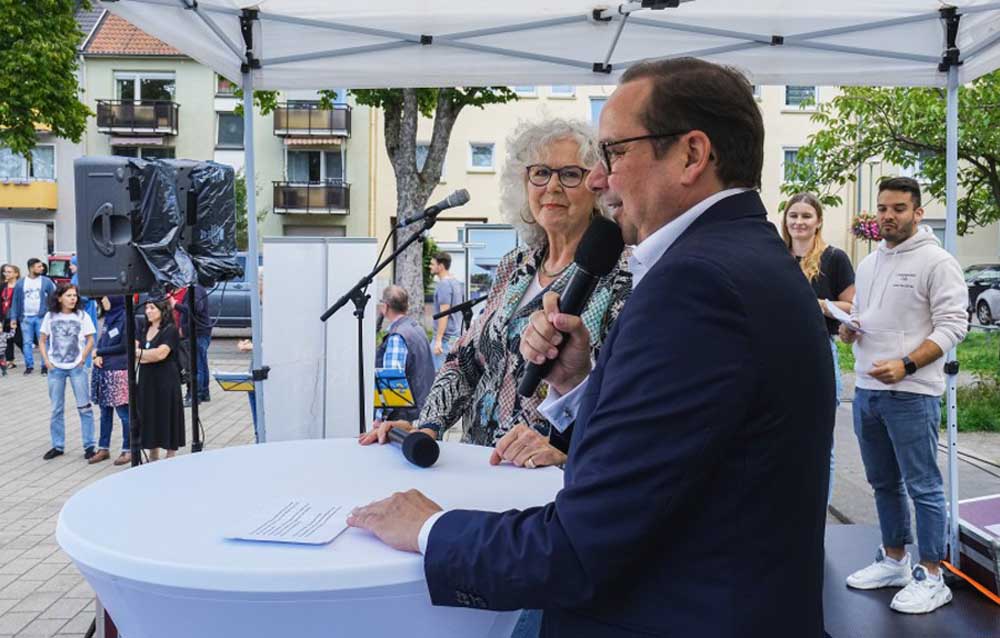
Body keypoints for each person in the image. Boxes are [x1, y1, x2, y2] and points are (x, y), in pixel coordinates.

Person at [348, 58, 833, 637]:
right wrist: (578, 384)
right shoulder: (744, 255)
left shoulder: (694, 283)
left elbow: (580, 547)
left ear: (692, 154)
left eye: (612, 154)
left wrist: (431, 528)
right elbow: (681, 451)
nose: (599, 179)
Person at [362, 118, 631, 466]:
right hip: (478, 463)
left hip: (549, 475)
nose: (552, 186)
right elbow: (466, 360)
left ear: (596, 185)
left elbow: (623, 393)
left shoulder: (622, 273)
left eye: (569, 174)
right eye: (540, 173)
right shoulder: (515, 264)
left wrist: (565, 451)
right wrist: (427, 426)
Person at [840, 176, 967, 614]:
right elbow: (861, 314)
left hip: (911, 393)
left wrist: (908, 363)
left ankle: (933, 575)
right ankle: (895, 560)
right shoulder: (871, 262)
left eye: (898, 208)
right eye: (882, 208)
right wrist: (848, 328)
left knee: (924, 487)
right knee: (883, 483)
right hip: (868, 391)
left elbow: (954, 325)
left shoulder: (937, 261)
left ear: (917, 211)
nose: (888, 216)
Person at [782, 193, 855, 503]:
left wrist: (816, 304)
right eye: (793, 215)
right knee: (780, 439)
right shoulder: (776, 255)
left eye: (806, 216)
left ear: (818, 221)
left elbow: (850, 307)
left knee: (820, 440)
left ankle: (818, 516)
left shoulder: (834, 258)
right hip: (777, 352)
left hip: (819, 351)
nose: (799, 222)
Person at [38, 283, 97, 460]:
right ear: (59, 297)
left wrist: (82, 359)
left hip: (77, 368)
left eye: (75, 296)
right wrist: (47, 361)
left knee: (84, 407)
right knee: (56, 408)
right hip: (56, 368)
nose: (73, 299)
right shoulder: (50, 316)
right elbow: (42, 340)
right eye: (69, 295)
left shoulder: (82, 315)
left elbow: (90, 340)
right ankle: (58, 445)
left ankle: (89, 445)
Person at [374, 285, 436, 423]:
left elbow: (391, 386)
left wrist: (379, 418)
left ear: (385, 306)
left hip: (405, 417)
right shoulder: (416, 328)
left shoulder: (397, 336)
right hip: (422, 409)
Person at [136, 298, 185, 461]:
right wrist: (144, 355)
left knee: (166, 412)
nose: (148, 311)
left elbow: (160, 354)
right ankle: (152, 452)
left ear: (162, 311)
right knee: (149, 413)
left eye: (152, 308)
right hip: (146, 378)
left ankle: (170, 454)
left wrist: (140, 354)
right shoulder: (145, 328)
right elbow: (138, 352)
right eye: (147, 308)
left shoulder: (169, 330)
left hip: (165, 379)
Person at [90, 296, 132, 465]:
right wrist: (98, 355)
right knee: (105, 412)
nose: (103, 301)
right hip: (104, 368)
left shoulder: (125, 317)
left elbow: (124, 345)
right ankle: (103, 448)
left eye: (105, 298)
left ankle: (128, 449)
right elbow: (103, 339)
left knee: (123, 413)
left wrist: (100, 351)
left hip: (118, 369)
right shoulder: (108, 316)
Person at [9, 257, 56, 375]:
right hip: (25, 318)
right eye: (38, 266)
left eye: (41, 266)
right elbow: (15, 301)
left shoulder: (46, 281)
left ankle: (44, 366)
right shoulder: (21, 283)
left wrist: (51, 313)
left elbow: (53, 297)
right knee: (27, 342)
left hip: (41, 317)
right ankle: (29, 366)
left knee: (43, 341)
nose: (42, 268)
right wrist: (14, 318)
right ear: (31, 268)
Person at [170, 284, 212, 405]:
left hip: (198, 332)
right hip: (200, 331)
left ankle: (196, 396)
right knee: (201, 363)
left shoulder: (196, 290)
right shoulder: (195, 289)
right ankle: (204, 392)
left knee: (197, 364)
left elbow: (195, 309)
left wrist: (175, 305)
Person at [429, 252, 464, 370]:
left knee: (439, 375)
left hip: (444, 339)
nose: (430, 266)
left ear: (441, 266)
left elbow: (444, 313)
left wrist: (438, 340)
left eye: (433, 264)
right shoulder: (456, 283)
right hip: (454, 336)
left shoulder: (444, 284)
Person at [69, 255, 99, 368]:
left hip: (84, 310)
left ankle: (85, 361)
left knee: (85, 335)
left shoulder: (78, 278)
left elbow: (84, 296)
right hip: (85, 309)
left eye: (72, 264)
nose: (70, 267)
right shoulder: (79, 277)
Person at [0, 263, 20, 373]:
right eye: (5, 272)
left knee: (19, 338)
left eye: (9, 272)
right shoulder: (2, 285)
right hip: (5, 315)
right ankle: (10, 361)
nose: (6, 274)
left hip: (17, 316)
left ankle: (29, 360)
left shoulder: (20, 285)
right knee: (7, 340)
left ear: (16, 273)